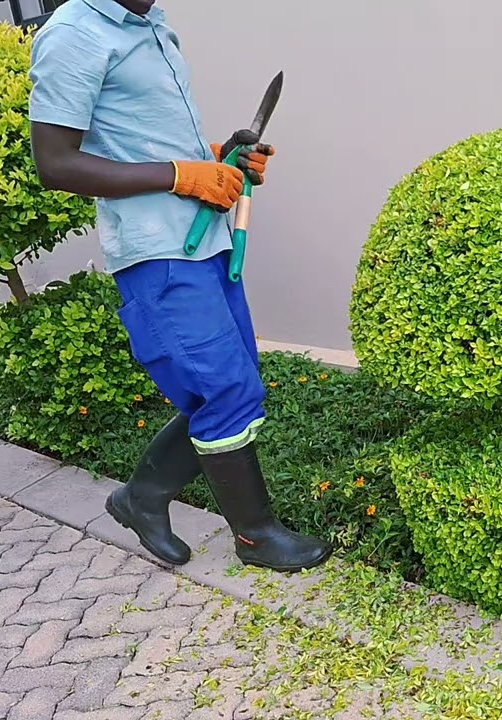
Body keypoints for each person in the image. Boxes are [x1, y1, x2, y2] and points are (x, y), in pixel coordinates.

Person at [27, 0, 331, 572]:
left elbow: (142, 141)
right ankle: (256, 535)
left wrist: (218, 159)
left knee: (231, 387)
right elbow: (55, 164)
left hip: (204, 241)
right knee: (223, 389)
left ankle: (140, 499)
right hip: (156, 253)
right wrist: (182, 175)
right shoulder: (73, 32)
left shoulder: (152, 23)